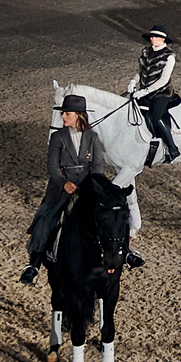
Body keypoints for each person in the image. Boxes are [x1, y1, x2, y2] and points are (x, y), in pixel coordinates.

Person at [27, 95, 110, 272]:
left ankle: (120, 254)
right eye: (63, 113)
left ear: (79, 115)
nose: (63, 116)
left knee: (112, 217)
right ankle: (33, 263)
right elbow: (53, 167)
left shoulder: (93, 137)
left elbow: (97, 167)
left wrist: (94, 186)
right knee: (45, 220)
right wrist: (65, 183)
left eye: (67, 113)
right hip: (61, 187)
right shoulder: (57, 137)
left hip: (86, 186)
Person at [127, 26, 181, 164]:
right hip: (144, 90)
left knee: (156, 116)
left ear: (162, 39)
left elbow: (163, 80)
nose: (152, 39)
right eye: (151, 37)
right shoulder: (146, 52)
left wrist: (144, 91)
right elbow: (142, 72)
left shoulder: (169, 57)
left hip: (162, 92)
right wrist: (133, 81)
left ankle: (172, 148)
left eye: (155, 37)